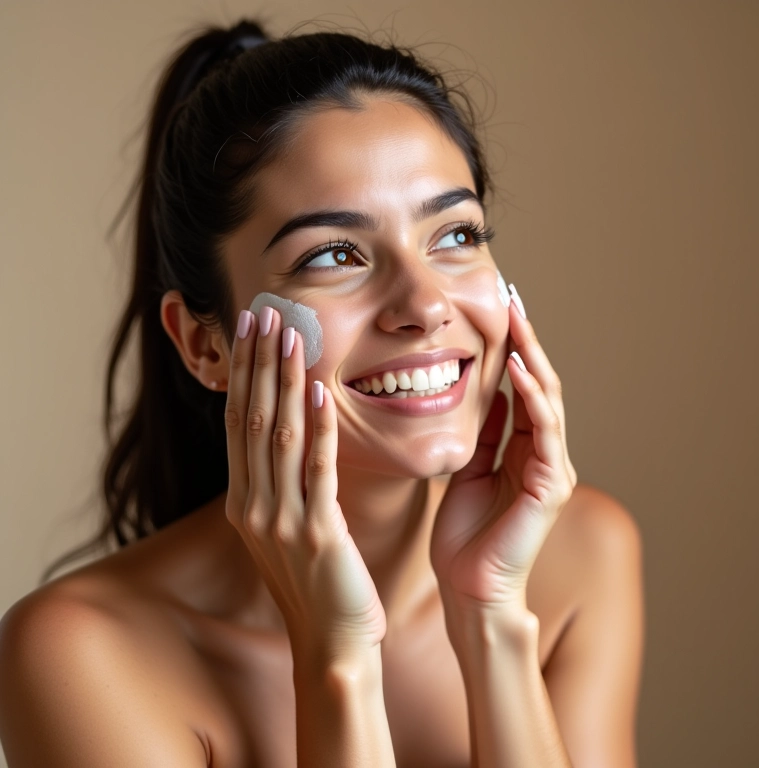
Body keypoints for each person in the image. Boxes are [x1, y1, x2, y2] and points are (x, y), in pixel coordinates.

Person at [0, 18, 645, 768]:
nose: (427, 304)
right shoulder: (81, 656)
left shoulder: (583, 554)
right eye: (335, 254)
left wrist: (491, 618)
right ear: (206, 344)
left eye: (456, 235)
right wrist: (334, 656)